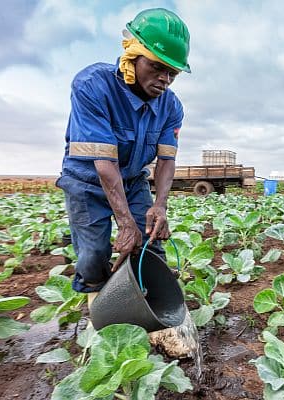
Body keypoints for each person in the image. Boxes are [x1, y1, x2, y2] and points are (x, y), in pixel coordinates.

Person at [56, 8, 191, 306]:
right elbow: (105, 166)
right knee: (94, 255)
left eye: (173, 73)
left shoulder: (172, 107)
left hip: (131, 181)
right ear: (132, 55)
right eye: (156, 67)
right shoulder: (93, 86)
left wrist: (160, 206)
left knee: (151, 244)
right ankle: (100, 313)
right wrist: (126, 222)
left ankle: (153, 309)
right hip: (86, 182)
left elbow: (167, 161)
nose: (164, 79)